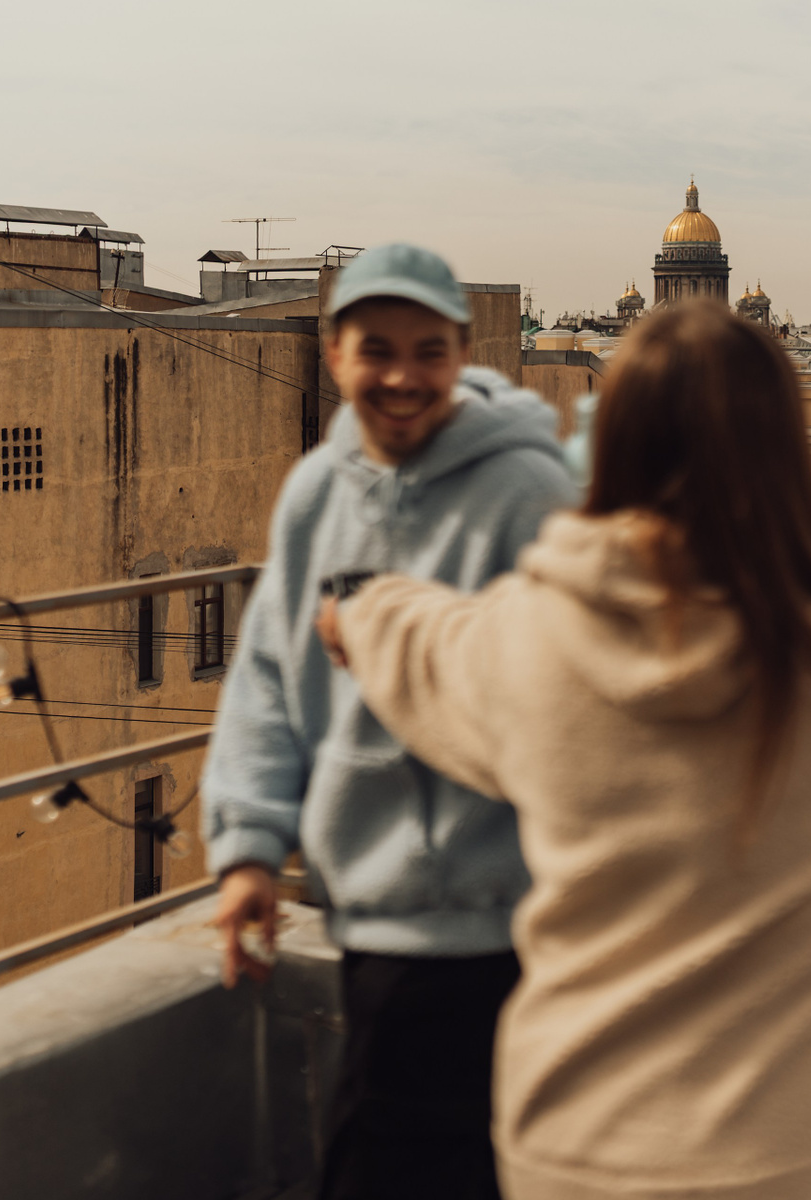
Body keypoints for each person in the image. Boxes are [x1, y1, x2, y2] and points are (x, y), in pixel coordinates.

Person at [319, 301, 811, 1200]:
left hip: (587, 1143)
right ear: (787, 443)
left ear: (612, 442)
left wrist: (355, 612)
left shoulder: (530, 638)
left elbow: (415, 639)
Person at [201, 243, 577, 1200]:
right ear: (335, 355)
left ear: (461, 356)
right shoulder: (315, 494)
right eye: (378, 350)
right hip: (374, 922)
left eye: (428, 351)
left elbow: (567, 697)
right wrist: (248, 850)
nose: (403, 377)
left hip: (505, 925)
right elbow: (267, 677)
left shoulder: (529, 494)